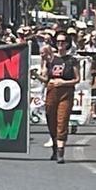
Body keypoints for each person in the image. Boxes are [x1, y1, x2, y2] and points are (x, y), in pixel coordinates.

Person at [36, 33, 80, 163]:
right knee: (51, 120)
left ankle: (61, 152)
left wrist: (63, 82)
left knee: (62, 120)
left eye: (63, 41)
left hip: (66, 92)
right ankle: (55, 148)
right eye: (58, 41)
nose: (60, 44)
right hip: (51, 92)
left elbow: (77, 79)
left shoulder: (72, 60)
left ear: (67, 43)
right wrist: (36, 76)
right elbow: (46, 79)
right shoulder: (51, 60)